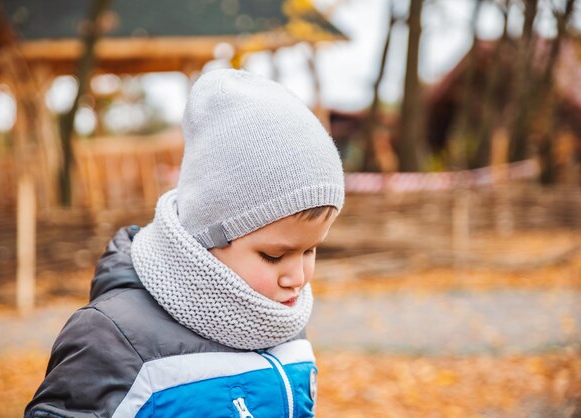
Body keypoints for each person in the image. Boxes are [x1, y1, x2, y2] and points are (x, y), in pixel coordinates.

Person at [25, 69, 345, 418]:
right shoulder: (112, 340)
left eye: (311, 250)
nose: (298, 277)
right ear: (205, 238)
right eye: (274, 256)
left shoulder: (281, 321)